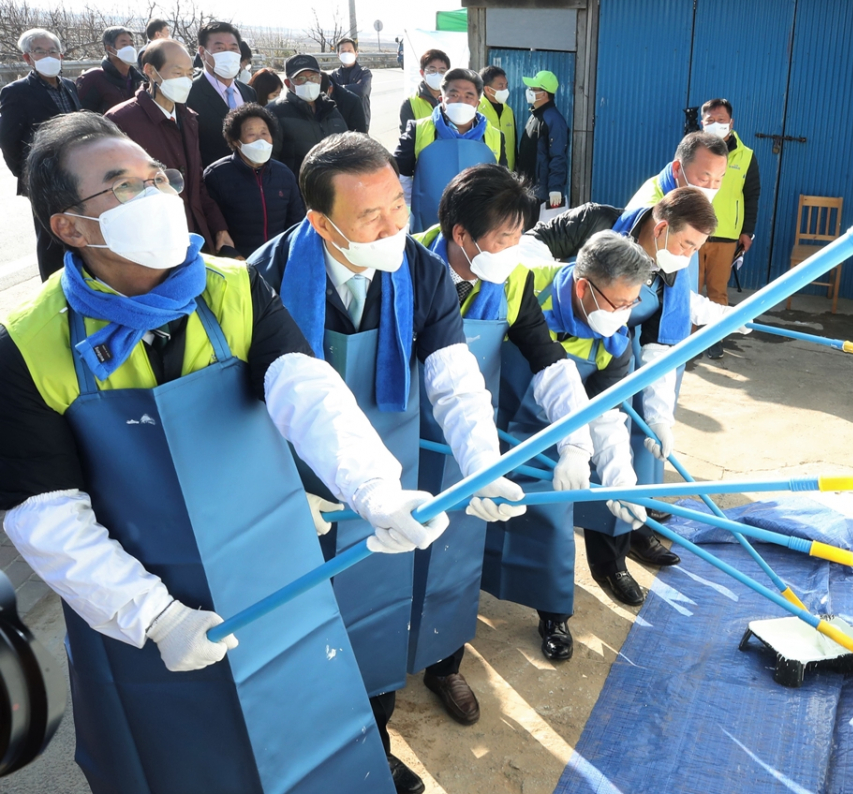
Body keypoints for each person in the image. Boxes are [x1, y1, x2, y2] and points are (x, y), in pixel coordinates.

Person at [0, 111, 450, 793]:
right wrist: (155, 616)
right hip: (136, 596)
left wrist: (374, 490)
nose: (156, 196)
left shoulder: (230, 285)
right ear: (68, 226)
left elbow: (308, 392)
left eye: (158, 177)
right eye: (124, 187)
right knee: (177, 753)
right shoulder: (28, 343)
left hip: (265, 568)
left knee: (300, 714)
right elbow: (44, 516)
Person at [250, 133, 526, 794]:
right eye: (370, 215)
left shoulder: (420, 272)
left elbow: (456, 383)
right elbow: (248, 400)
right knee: (292, 627)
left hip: (386, 477)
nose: (394, 226)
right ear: (319, 220)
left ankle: (373, 741)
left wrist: (482, 464)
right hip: (295, 482)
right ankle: (306, 753)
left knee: (374, 617)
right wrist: (274, 488)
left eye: (398, 205)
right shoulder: (260, 276)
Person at [413, 164, 596, 703]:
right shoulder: (404, 270)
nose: (515, 249)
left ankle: (444, 664)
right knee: (391, 558)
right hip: (398, 439)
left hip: (467, 446)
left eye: (521, 235)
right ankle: (376, 680)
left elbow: (550, 361)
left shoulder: (512, 281)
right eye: (504, 237)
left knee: (454, 556)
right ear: (460, 235)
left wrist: (576, 441)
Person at [528, 188, 745, 592]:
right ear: (661, 228)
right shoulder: (595, 223)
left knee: (615, 460)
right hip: (547, 350)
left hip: (608, 360)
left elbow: (659, 347)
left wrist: (660, 418)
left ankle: (616, 551)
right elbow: (531, 243)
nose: (687, 256)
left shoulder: (665, 280)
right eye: (686, 244)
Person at [484, 231, 654, 654]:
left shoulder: (614, 337)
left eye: (634, 303)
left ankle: (554, 617)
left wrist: (619, 476)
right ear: (583, 287)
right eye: (619, 303)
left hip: (555, 437)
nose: (625, 314)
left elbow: (607, 411)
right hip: (486, 425)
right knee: (471, 524)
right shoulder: (521, 286)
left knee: (552, 525)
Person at [106, 39, 235, 256]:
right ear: (151, 71)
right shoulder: (121, 121)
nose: (185, 80)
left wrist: (218, 227)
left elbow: (197, 182)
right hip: (152, 242)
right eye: (177, 73)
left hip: (194, 234)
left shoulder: (189, 118)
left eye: (189, 74)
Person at [0, 28, 81, 280]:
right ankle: (53, 291)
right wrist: (31, 177)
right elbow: (9, 141)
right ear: (27, 58)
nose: (48, 56)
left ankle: (80, 283)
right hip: (44, 179)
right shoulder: (17, 91)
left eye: (53, 51)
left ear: (61, 55)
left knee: (77, 231)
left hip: (76, 174)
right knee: (50, 240)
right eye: (40, 51)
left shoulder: (69, 86)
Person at [394, 67, 504, 231]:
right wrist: (409, 209)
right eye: (454, 95)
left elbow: (503, 181)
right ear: (441, 99)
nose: (461, 101)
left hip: (477, 228)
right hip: (427, 227)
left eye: (469, 96)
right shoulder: (418, 130)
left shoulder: (494, 136)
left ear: (477, 103)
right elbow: (398, 174)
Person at [697, 98, 760, 359]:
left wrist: (747, 231)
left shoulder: (746, 156)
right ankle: (685, 340)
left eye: (721, 120)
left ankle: (714, 338)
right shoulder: (692, 151)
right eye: (710, 121)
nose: (716, 125)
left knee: (717, 290)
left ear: (731, 123)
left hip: (726, 235)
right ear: (702, 124)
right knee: (689, 289)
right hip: (694, 232)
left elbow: (752, 194)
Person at [203, 103, 304, 258]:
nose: (260, 140)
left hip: (277, 262)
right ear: (236, 141)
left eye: (265, 133)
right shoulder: (216, 175)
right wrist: (232, 255)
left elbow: (296, 222)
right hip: (238, 266)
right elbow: (213, 226)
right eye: (251, 134)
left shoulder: (284, 174)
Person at [187, 21, 256, 168]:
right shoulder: (189, 93)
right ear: (202, 52)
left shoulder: (248, 92)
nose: (228, 54)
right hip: (211, 182)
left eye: (233, 48)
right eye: (220, 48)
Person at [266, 53, 349, 177]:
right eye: (301, 79)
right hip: (297, 192)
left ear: (320, 79)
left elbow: (348, 148)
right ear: (288, 83)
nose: (308, 83)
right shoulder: (275, 113)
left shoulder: (331, 110)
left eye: (313, 77)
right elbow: (270, 163)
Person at [516, 70, 569, 220]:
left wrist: (555, 188)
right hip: (529, 189)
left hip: (542, 193)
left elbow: (558, 156)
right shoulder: (535, 115)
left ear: (544, 94)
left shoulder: (554, 120)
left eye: (534, 89)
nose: (529, 91)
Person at [76, 26, 145, 114]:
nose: (130, 49)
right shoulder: (93, 78)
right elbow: (83, 116)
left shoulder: (137, 80)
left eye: (131, 44)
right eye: (124, 44)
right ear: (109, 48)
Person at [478, 65, 516, 169]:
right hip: (485, 173)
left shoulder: (508, 111)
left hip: (507, 172)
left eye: (506, 85)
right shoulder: (476, 110)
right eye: (501, 86)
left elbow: (513, 143)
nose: (505, 89)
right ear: (488, 89)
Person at [398, 48, 448, 127]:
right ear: (422, 73)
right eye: (432, 70)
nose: (437, 75)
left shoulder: (455, 99)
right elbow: (407, 137)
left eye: (442, 71)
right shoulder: (409, 104)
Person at [332, 37, 373, 128]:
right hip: (339, 123)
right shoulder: (334, 75)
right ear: (338, 54)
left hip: (360, 121)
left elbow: (361, 90)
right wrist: (353, 86)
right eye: (343, 51)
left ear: (356, 53)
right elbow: (330, 94)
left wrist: (337, 88)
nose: (346, 53)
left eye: (350, 50)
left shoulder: (364, 72)